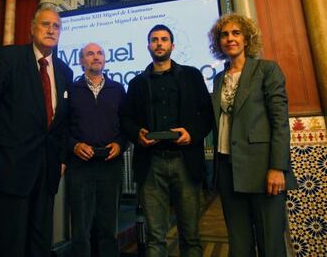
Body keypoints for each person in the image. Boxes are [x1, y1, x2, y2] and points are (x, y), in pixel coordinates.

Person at [0, 4, 73, 257]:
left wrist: (61, 158)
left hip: (47, 168)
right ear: (32, 28)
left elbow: (63, 123)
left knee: (40, 241)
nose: (51, 30)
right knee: (11, 241)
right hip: (13, 165)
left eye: (56, 26)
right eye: (45, 24)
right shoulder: (10, 57)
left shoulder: (64, 71)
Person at [208, 13, 297, 257]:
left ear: (247, 39)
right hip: (227, 169)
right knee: (239, 246)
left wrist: (278, 167)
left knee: (270, 245)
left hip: (262, 170)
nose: (230, 39)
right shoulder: (218, 79)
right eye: (224, 35)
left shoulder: (266, 70)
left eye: (236, 33)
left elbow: (280, 122)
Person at [121, 24, 213, 257]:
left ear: (172, 45)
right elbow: (126, 119)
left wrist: (191, 133)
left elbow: (207, 115)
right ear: (148, 46)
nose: (159, 43)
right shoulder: (136, 83)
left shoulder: (191, 75)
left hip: (186, 161)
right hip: (150, 164)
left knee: (191, 237)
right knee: (155, 238)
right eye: (154, 40)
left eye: (163, 39)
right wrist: (137, 134)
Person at [66, 42, 127, 257]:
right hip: (80, 168)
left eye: (100, 53)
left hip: (110, 168)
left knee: (108, 229)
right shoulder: (71, 90)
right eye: (90, 54)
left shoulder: (118, 89)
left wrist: (120, 144)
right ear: (82, 61)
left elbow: (126, 125)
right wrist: (74, 145)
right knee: (80, 231)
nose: (96, 57)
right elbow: (61, 128)